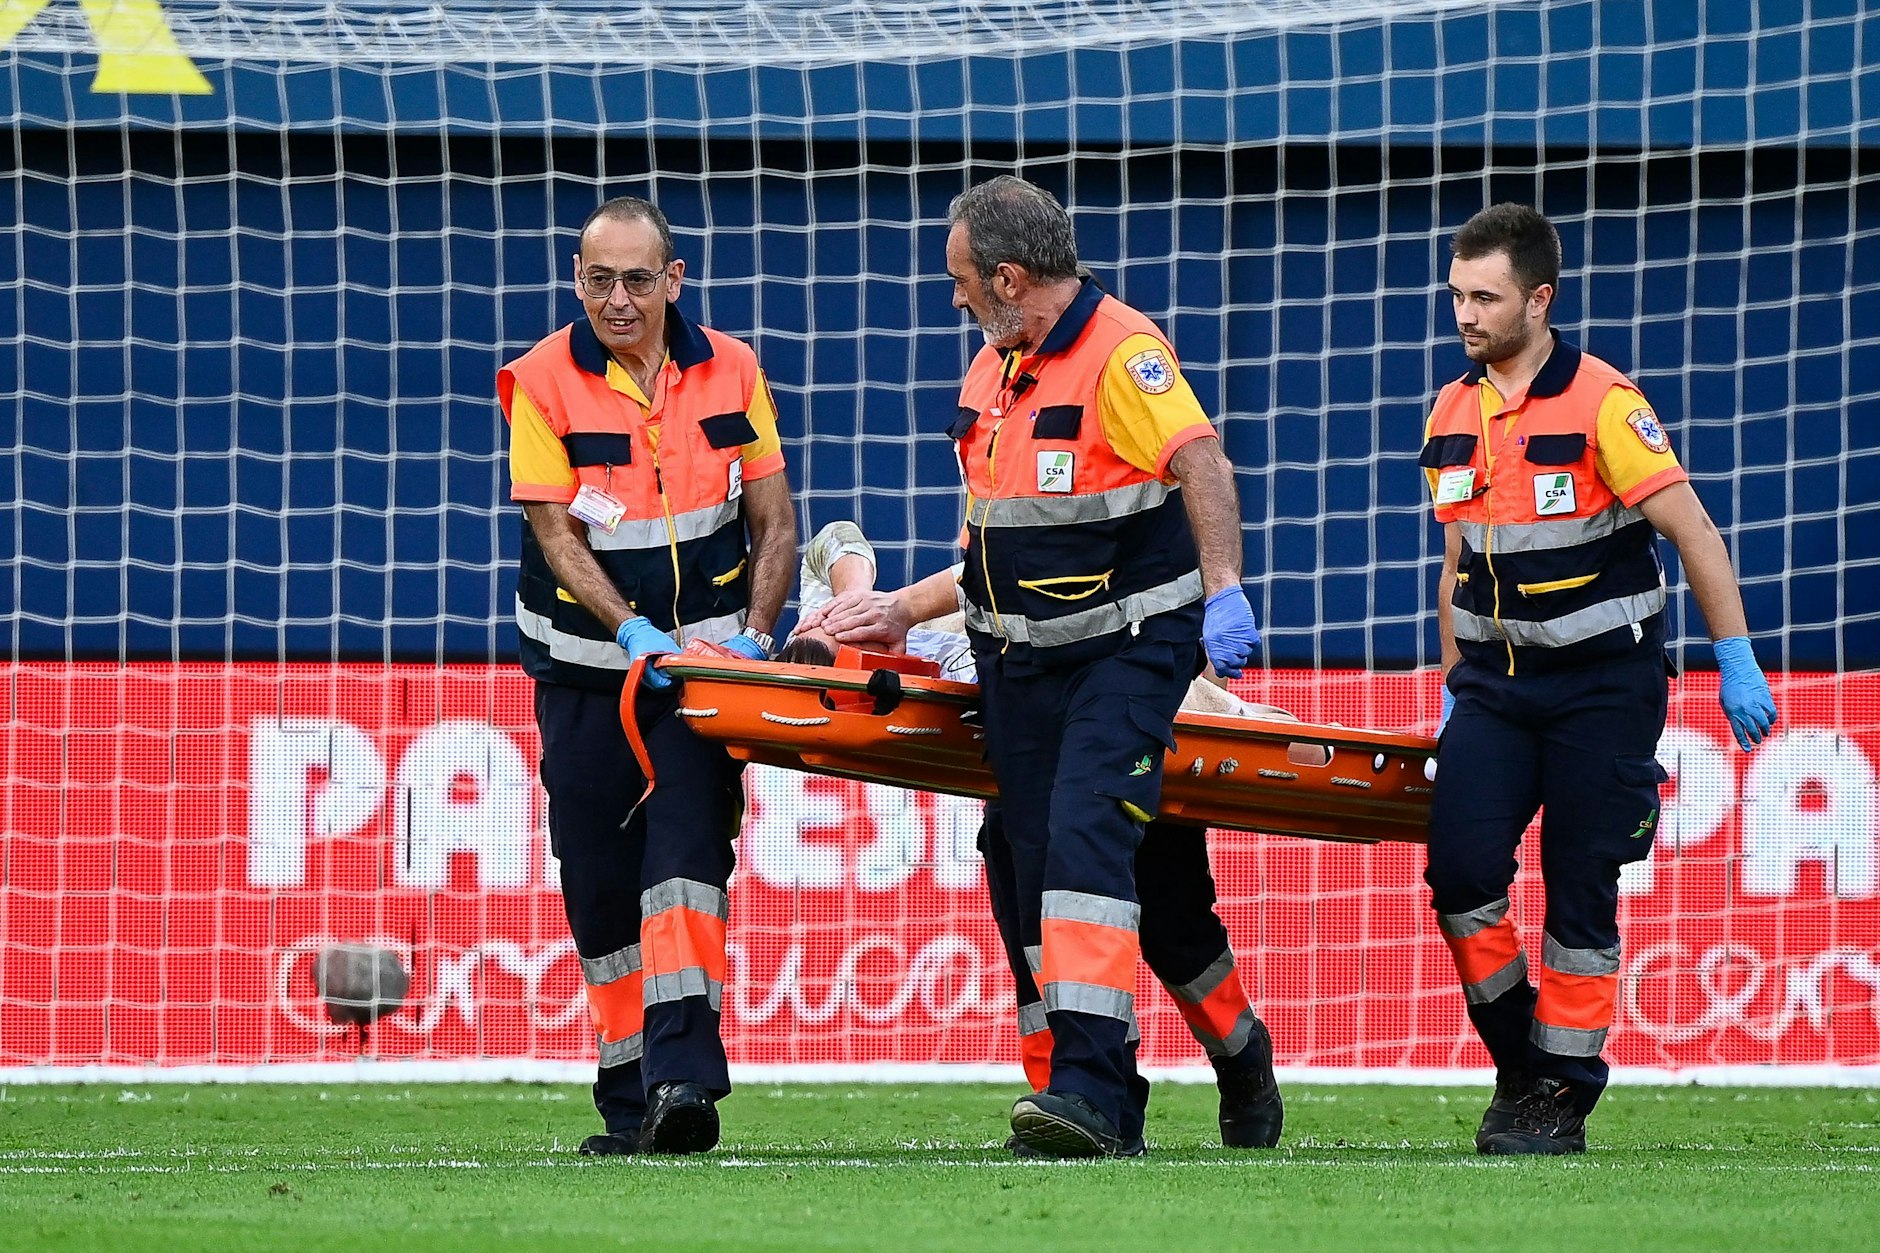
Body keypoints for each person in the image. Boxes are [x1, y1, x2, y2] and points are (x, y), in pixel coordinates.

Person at [823, 175, 1277, 1158]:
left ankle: (1088, 1090)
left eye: (959, 280)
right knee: (1029, 859)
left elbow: (1201, 463)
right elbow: (994, 543)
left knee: (1080, 844)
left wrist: (1225, 589)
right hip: (1016, 660)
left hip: (1124, 650)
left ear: (1007, 278)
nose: (952, 299)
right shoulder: (992, 374)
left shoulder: (1123, 353)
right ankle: (1194, 1060)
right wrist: (899, 610)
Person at [1421, 203, 1778, 1155]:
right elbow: (1456, 562)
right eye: (1457, 295)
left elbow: (1695, 532)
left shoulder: (1606, 404)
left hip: (1603, 691)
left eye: (1485, 297)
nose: (1466, 314)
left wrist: (1734, 656)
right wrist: (1454, 683)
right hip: (1494, 691)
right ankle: (1524, 1063)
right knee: (1459, 879)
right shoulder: (1451, 411)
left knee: (1580, 894)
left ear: (1539, 299)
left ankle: (1561, 1094)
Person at [795, 522, 1287, 1153]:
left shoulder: (865, 616)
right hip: (1022, 731)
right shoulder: (907, 650)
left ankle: (1241, 1055)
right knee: (1035, 918)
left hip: (1113, 696)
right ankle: (1081, 1094)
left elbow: (841, 540)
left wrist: (861, 602)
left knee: (1176, 930)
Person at [498, 196, 797, 1156]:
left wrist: (756, 636)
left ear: (674, 279)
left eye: (636, 279)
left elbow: (774, 519)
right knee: (599, 891)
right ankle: (630, 1102)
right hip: (587, 675)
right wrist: (628, 629)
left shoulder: (734, 367)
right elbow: (556, 533)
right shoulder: (540, 379)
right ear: (576, 280)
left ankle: (683, 1084)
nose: (617, 299)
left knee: (685, 868)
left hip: (703, 684)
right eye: (599, 280)